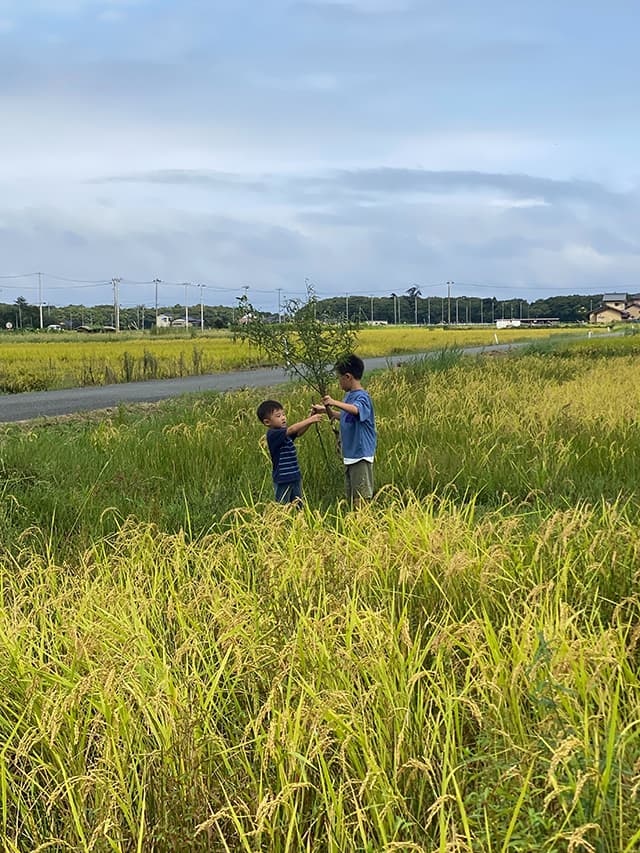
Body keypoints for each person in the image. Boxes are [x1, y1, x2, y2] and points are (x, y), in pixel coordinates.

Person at [313, 354, 377, 505]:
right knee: (352, 496)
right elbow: (346, 416)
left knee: (361, 498)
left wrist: (334, 402)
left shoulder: (362, 397)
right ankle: (356, 522)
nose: (339, 382)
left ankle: (364, 524)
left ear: (348, 377)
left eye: (339, 378)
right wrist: (325, 410)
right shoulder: (349, 396)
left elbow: (356, 410)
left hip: (360, 455)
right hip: (350, 455)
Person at [257, 399, 323, 505]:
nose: (283, 418)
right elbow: (292, 429)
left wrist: (310, 418)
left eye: (283, 414)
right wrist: (310, 420)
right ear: (267, 422)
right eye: (278, 416)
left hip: (295, 476)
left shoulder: (284, 434)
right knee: (282, 506)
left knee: (298, 504)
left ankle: (299, 520)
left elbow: (298, 432)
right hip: (283, 478)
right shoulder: (273, 434)